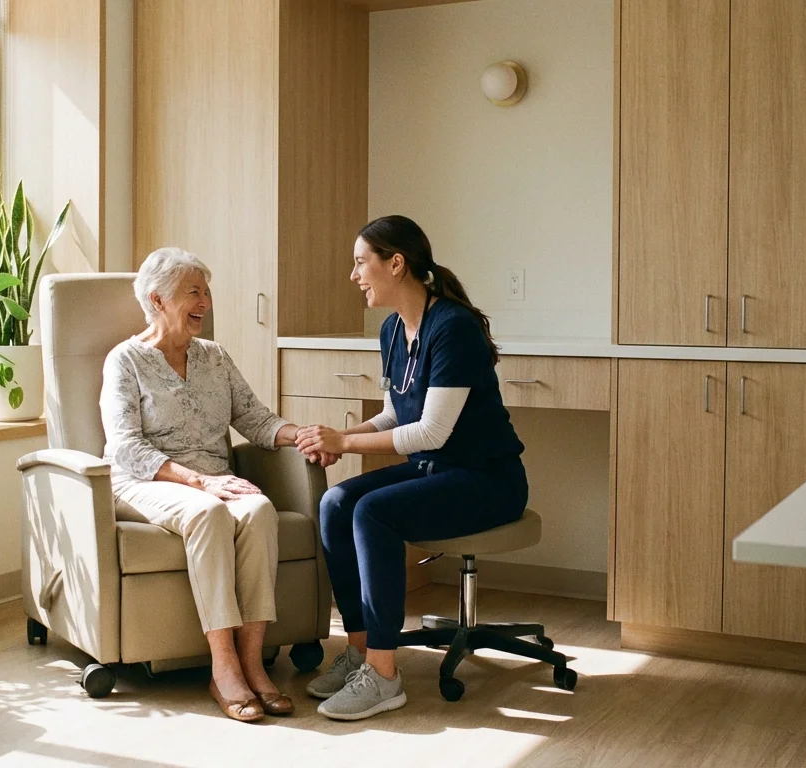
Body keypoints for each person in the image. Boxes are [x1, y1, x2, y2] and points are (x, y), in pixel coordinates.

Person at [295, 215, 528, 721]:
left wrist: (346, 440)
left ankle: (383, 676)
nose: (354, 274)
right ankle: (360, 651)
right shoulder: (392, 330)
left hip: (486, 479)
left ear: (395, 263)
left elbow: (430, 433)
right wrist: (341, 438)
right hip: (436, 470)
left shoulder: (453, 328)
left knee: (373, 512)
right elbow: (397, 415)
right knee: (336, 503)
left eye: (361, 262)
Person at [100, 247, 326, 723]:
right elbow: (125, 448)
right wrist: (199, 480)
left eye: (207, 291)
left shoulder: (215, 358)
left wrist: (302, 435)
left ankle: (252, 661)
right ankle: (222, 666)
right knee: (206, 512)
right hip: (147, 479)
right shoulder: (125, 361)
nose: (207, 302)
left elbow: (256, 418)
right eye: (194, 292)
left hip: (212, 481)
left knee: (261, 509)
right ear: (158, 300)